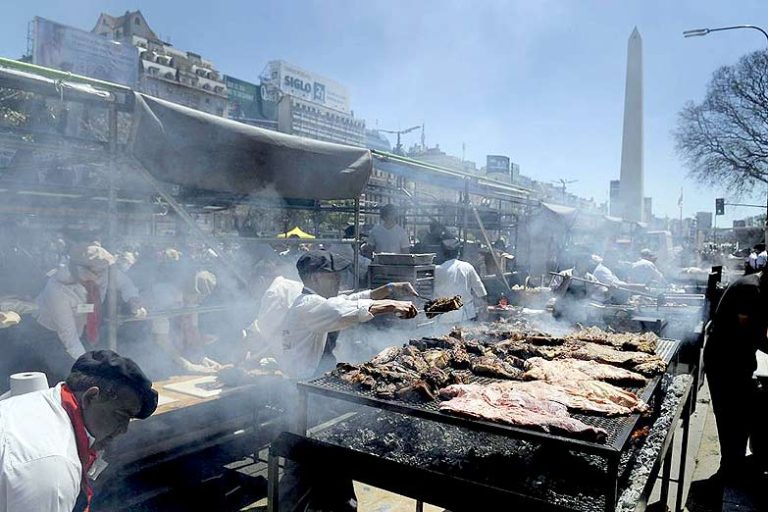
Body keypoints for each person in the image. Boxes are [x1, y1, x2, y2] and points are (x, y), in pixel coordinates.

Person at [0, 350, 158, 512]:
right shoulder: (53, 468)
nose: (124, 429)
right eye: (121, 415)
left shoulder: (37, 401)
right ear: (90, 397)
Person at [281, 249, 418, 380]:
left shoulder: (319, 302)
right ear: (315, 278)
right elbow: (339, 311)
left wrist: (391, 287)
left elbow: (351, 300)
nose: (338, 279)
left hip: (317, 374)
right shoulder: (308, 305)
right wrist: (392, 305)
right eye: (333, 275)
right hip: (303, 381)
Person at [704, 269, 768, 483]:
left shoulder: (758, 287)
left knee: (739, 415)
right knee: (730, 415)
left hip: (737, 358)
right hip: (724, 360)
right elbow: (753, 333)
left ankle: (734, 465)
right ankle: (729, 469)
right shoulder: (751, 289)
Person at [30, 244, 117, 383]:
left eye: (104, 270)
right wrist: (91, 367)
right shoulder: (57, 289)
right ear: (80, 270)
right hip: (49, 334)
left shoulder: (100, 274)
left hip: (82, 330)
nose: (102, 275)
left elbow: (121, 284)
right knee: (62, 376)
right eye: (98, 272)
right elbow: (69, 338)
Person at [146, 269, 222, 374]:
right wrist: (187, 365)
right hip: (150, 351)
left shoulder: (192, 300)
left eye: (203, 296)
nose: (200, 300)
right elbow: (161, 340)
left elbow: (192, 330)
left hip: (176, 352)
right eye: (199, 295)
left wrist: (200, 357)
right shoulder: (164, 298)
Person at [433, 238, 488, 323]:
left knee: (444, 336)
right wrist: (485, 307)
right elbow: (480, 290)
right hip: (465, 315)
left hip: (444, 317)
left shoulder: (436, 270)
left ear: (443, 253)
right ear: (458, 253)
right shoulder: (467, 267)